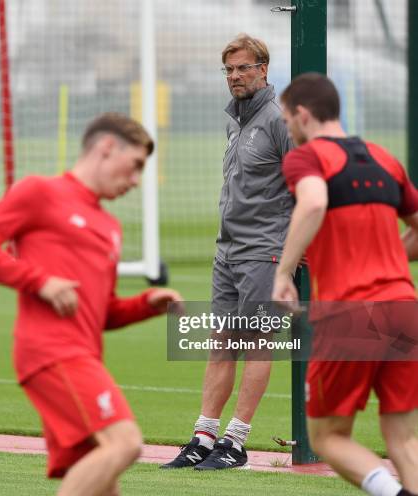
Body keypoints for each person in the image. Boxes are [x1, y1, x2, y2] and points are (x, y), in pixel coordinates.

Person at [0, 113, 182, 496]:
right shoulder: (39, 192)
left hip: (83, 355)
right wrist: (39, 281)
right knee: (126, 443)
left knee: (104, 485)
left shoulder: (111, 228)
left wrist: (147, 304)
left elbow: (102, 313)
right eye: (135, 166)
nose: (135, 181)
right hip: (51, 353)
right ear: (107, 147)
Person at [272, 72, 418, 496]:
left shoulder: (308, 157)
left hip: (351, 314)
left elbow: (315, 201)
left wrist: (282, 274)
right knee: (404, 438)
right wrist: (388, 254)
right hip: (405, 308)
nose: (287, 129)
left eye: (285, 120)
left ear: (301, 114)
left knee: (327, 437)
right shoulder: (383, 157)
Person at [161, 33, 293, 470]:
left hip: (265, 252)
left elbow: (308, 189)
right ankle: (203, 436)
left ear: (263, 69)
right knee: (220, 342)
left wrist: (293, 256)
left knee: (257, 342)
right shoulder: (234, 120)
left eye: (243, 68)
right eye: (229, 69)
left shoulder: (280, 120)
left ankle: (235, 442)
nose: (235, 76)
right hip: (228, 252)